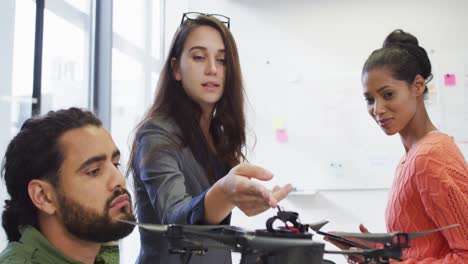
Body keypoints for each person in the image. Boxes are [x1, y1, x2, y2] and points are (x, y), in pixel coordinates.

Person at [128, 13, 292, 263]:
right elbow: (175, 219)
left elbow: (214, 227)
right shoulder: (156, 132)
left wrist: (238, 198)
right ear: (176, 69)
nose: (212, 69)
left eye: (222, 60)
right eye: (198, 57)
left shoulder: (219, 135)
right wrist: (225, 194)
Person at [329, 29, 468, 263]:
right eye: (369, 99)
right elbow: (423, 245)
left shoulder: (431, 157)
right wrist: (375, 248)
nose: (377, 109)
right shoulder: (412, 157)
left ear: (418, 86)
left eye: (388, 94)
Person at [0, 108, 136, 264]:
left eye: (116, 164)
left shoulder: (99, 254)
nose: (119, 179)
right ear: (43, 196)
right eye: (94, 171)